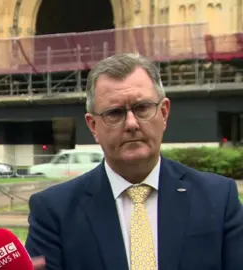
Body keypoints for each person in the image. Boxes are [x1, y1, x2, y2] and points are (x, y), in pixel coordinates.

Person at [25, 53, 243, 270]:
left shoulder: (218, 198)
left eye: (142, 108)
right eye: (114, 113)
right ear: (93, 126)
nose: (131, 123)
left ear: (164, 113)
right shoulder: (54, 211)